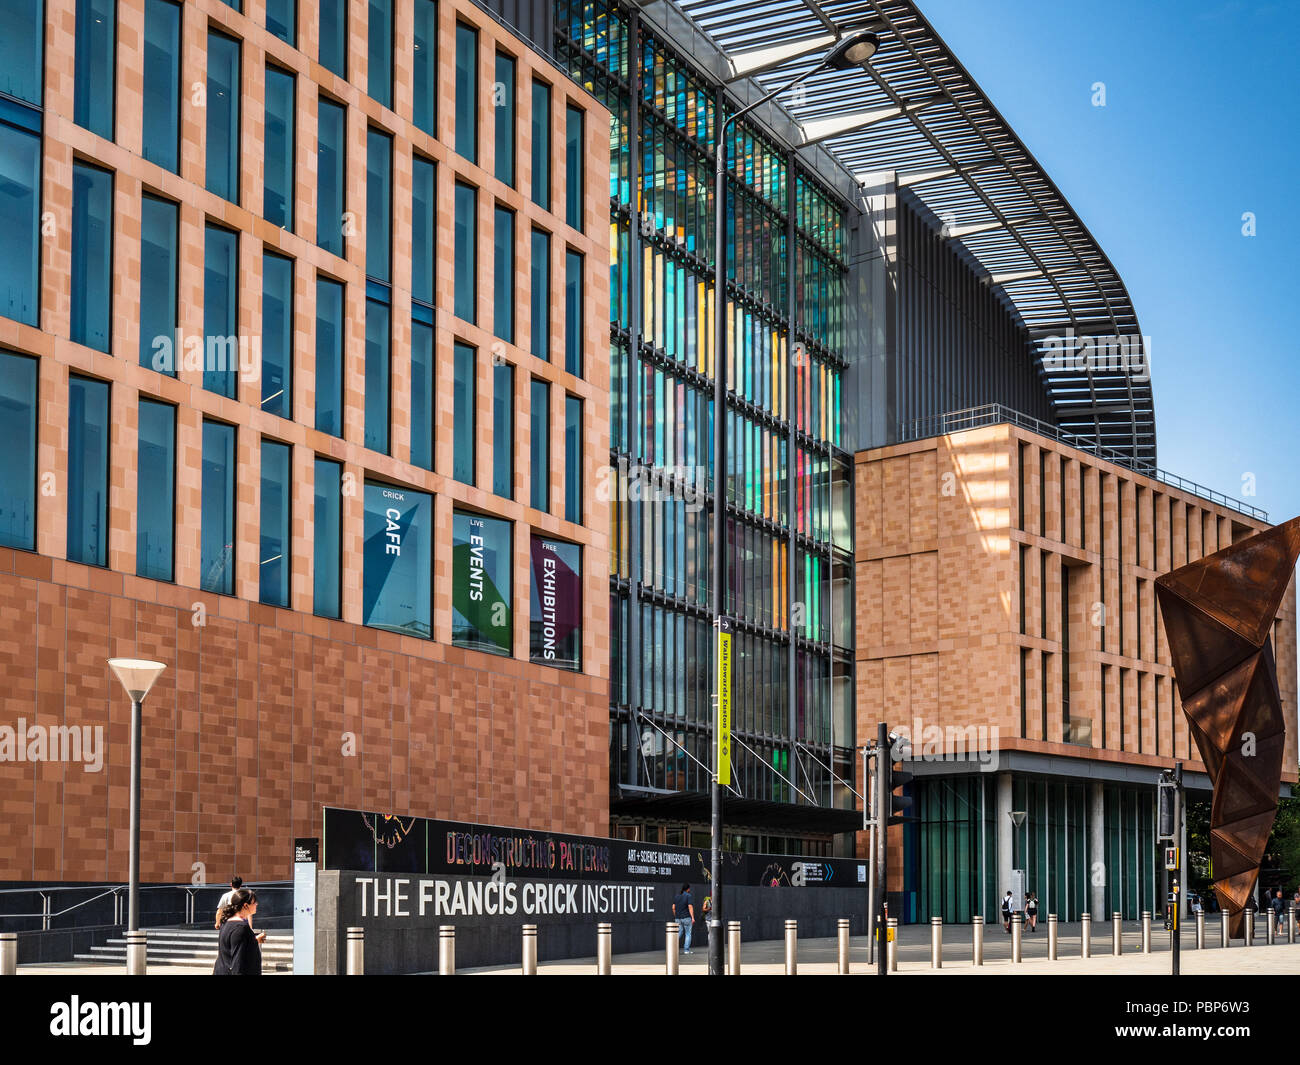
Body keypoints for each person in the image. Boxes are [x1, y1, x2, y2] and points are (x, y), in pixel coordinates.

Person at [213, 888, 262, 975]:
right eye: (254, 902)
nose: (257, 904)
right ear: (246, 905)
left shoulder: (226, 922)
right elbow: (238, 961)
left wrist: (254, 940)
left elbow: (232, 948)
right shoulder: (241, 928)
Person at [672, 883, 695, 955]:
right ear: (688, 889)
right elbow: (690, 907)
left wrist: (676, 915)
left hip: (678, 918)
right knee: (688, 934)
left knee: (679, 933)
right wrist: (693, 918)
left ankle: (672, 948)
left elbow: (673, 907)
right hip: (686, 917)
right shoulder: (688, 896)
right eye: (689, 889)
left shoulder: (677, 896)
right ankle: (686, 950)